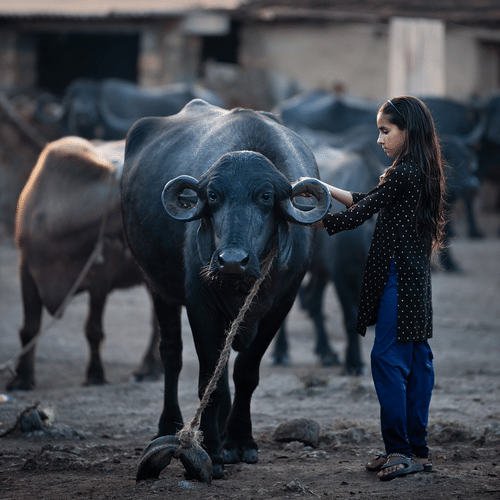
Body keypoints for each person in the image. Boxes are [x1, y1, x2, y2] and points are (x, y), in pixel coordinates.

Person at [300, 96, 447, 481]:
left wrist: (317, 222)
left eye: (386, 131)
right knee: (416, 365)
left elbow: (359, 215)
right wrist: (326, 189)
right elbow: (369, 202)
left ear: (407, 132)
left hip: (398, 278)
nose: (379, 139)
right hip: (415, 279)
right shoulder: (419, 170)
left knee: (387, 361)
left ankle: (399, 449)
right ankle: (415, 450)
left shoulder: (402, 173)